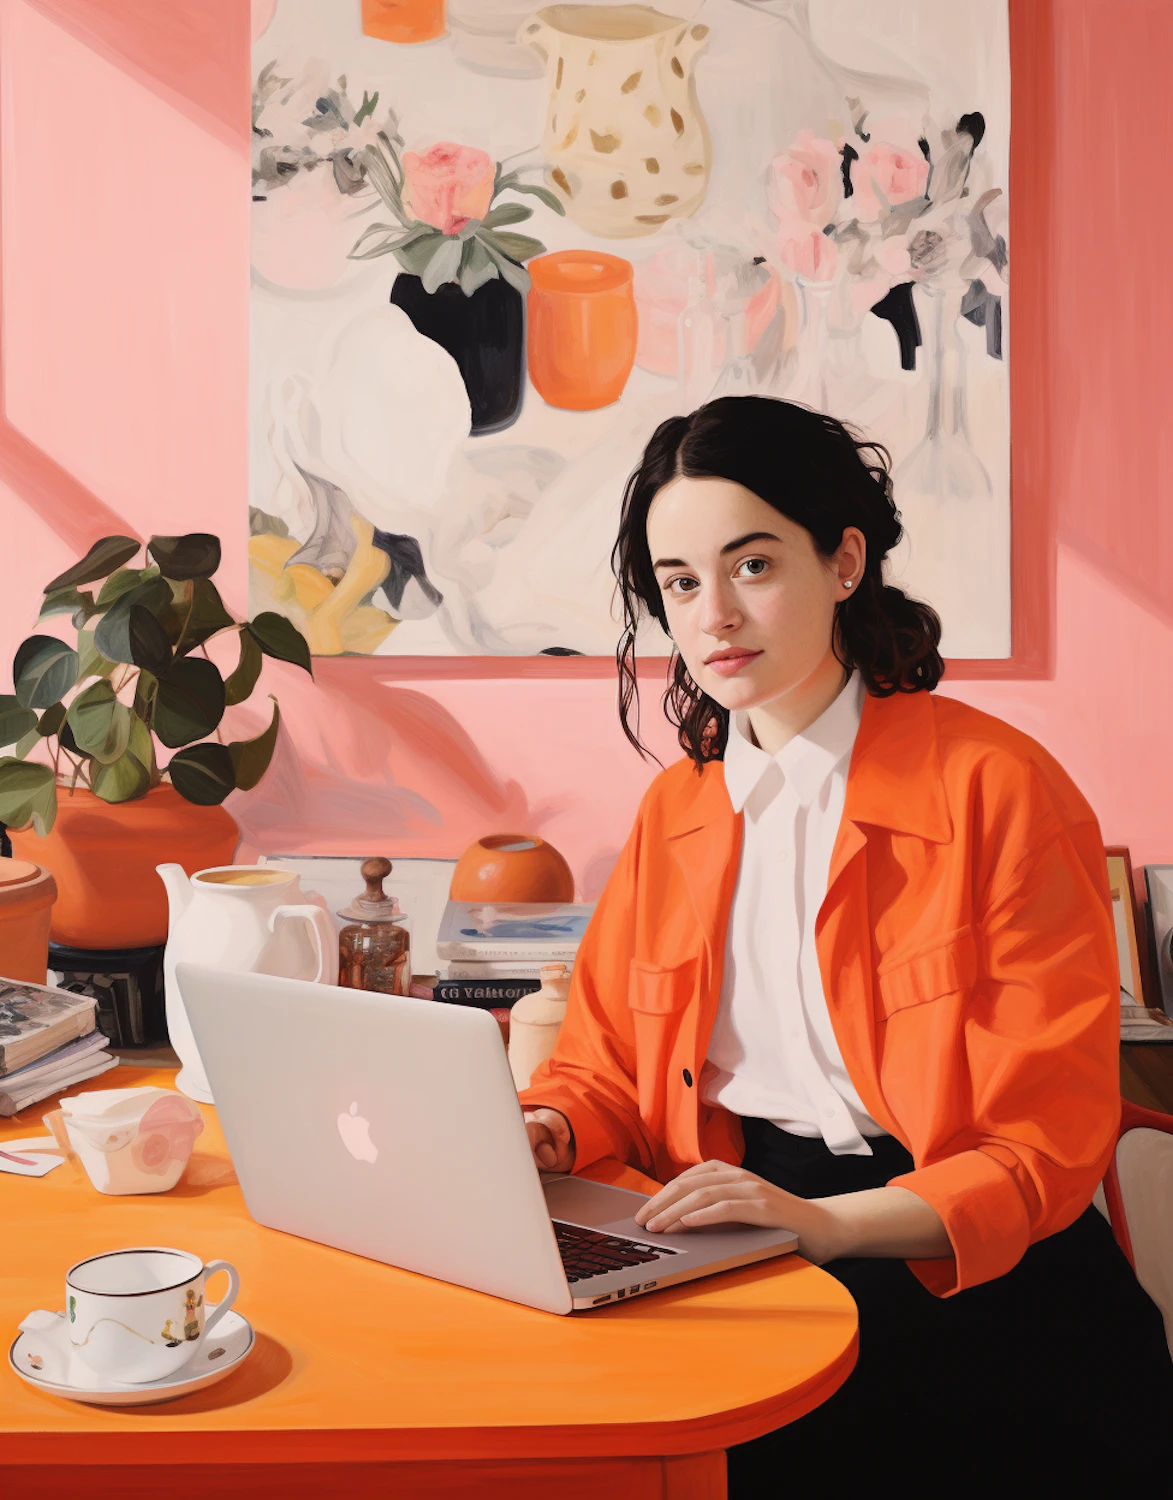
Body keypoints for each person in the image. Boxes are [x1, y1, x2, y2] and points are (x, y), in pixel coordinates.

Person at [518, 396, 1173, 1490]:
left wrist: (815, 1225)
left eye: (754, 565)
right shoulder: (675, 815)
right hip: (740, 1248)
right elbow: (604, 1073)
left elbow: (1042, 1151)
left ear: (845, 561)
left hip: (978, 1288)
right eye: (680, 582)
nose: (714, 613)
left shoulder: (999, 789)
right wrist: (549, 1123)